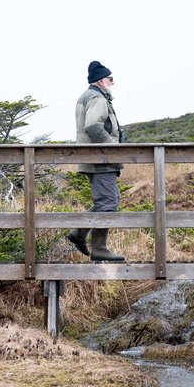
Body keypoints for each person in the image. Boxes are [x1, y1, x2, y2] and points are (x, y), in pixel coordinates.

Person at [67, 60, 125, 262]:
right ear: (101, 80)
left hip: (97, 157)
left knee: (109, 200)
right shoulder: (97, 97)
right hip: (100, 159)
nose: (113, 82)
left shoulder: (90, 96)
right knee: (108, 203)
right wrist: (112, 146)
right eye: (110, 79)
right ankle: (99, 248)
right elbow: (93, 126)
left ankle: (78, 233)